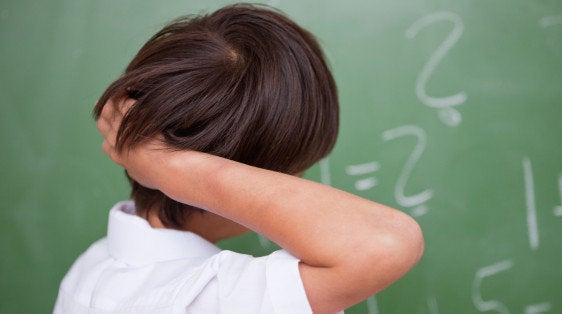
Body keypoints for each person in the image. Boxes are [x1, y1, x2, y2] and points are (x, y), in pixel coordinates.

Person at [54, 4, 424, 314]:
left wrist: (155, 153)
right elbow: (387, 242)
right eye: (294, 173)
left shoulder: (94, 265)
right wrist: (169, 165)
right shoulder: (209, 298)